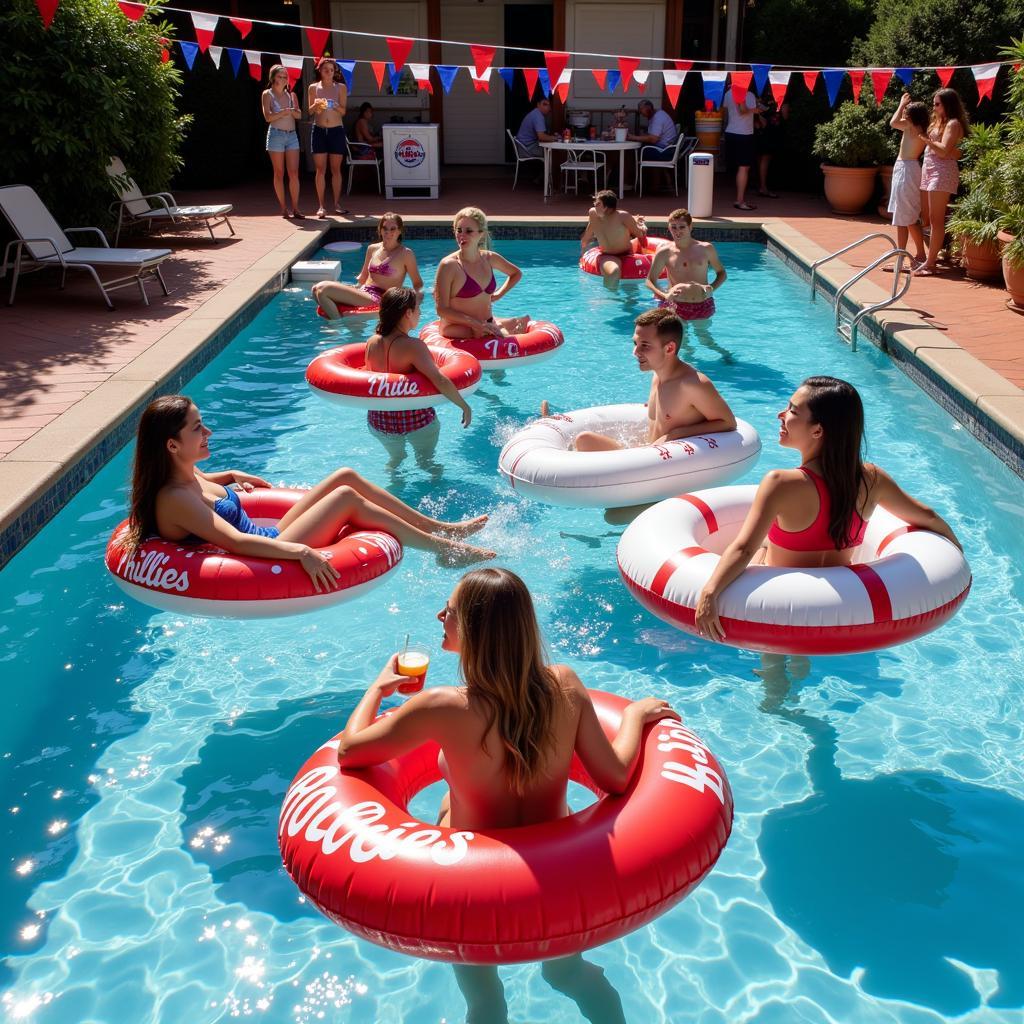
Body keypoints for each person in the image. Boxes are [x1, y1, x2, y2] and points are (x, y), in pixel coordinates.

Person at [335, 566, 678, 1024]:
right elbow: (615, 778)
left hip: (472, 891)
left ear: (477, 630)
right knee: (568, 976)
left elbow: (349, 752)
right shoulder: (566, 687)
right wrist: (634, 716)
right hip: (560, 879)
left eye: (451, 611)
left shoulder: (442, 706)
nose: (440, 616)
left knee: (484, 1000)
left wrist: (377, 689)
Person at [694, 376, 962, 642]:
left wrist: (709, 593)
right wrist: (955, 555)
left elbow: (743, 549)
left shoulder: (781, 483)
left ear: (818, 431)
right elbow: (927, 516)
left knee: (762, 551)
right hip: (837, 608)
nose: (781, 414)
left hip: (778, 604)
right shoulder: (872, 479)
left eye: (792, 411)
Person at [125, 396, 495, 579]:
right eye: (197, 429)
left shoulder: (185, 474)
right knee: (346, 498)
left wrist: (234, 473)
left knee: (345, 475)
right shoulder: (173, 498)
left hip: (269, 532)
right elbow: (235, 543)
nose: (208, 433)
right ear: (171, 446)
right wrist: (300, 552)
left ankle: (440, 527)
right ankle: (444, 549)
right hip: (263, 551)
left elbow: (208, 482)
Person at [541, 308, 736, 451]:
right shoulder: (657, 375)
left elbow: (728, 422)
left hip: (660, 466)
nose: (636, 352)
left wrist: (675, 434)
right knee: (581, 440)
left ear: (669, 348)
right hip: (646, 452)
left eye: (645, 345)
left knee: (584, 440)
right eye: (635, 343)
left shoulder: (692, 384)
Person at [363, 287, 473, 469]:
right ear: (408, 313)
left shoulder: (371, 342)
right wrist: (464, 406)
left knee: (396, 459)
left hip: (380, 421)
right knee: (426, 461)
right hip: (416, 420)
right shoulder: (413, 346)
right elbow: (440, 380)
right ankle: (435, 486)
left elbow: (372, 379)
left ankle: (393, 482)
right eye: (417, 308)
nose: (420, 313)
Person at [434, 207, 530, 340]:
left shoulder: (490, 258)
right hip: (458, 328)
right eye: (459, 230)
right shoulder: (449, 265)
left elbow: (516, 274)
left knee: (506, 335)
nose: (462, 235)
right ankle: (504, 325)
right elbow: (442, 309)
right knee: (500, 339)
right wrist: (475, 324)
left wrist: (498, 294)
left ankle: (503, 324)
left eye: (469, 231)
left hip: (486, 323)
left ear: (481, 234)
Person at [312, 212, 422, 318]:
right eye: (385, 228)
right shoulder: (372, 249)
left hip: (382, 298)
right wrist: (353, 289)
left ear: (400, 231)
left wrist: (414, 304)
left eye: (393, 229)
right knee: (314, 290)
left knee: (323, 289)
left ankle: (337, 323)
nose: (388, 232)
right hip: (364, 293)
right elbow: (363, 277)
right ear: (380, 229)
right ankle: (353, 327)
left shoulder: (406, 254)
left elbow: (418, 283)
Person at [915, 88, 969, 277]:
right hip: (929, 170)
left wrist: (926, 141)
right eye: (934, 103)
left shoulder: (953, 124)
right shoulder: (938, 122)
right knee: (927, 217)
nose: (934, 107)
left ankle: (930, 264)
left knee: (937, 220)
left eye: (937, 104)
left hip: (942, 172)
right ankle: (933, 256)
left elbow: (944, 151)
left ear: (948, 104)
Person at [645, 208, 726, 325]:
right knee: (681, 341)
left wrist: (712, 288)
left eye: (682, 227)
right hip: (675, 305)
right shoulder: (664, 252)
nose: (677, 231)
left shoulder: (706, 248)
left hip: (703, 303)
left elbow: (722, 273)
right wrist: (665, 295)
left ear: (690, 227)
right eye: (673, 227)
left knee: (705, 339)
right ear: (669, 228)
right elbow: (649, 281)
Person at [887, 93, 929, 266]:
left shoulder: (913, 127)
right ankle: (901, 255)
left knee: (908, 217)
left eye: (907, 112)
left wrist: (901, 103)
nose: (904, 114)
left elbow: (892, 122)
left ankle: (920, 255)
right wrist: (904, 106)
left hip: (907, 169)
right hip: (904, 168)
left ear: (913, 117)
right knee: (901, 217)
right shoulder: (915, 127)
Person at [579, 189, 648, 290]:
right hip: (607, 255)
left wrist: (641, 227)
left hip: (627, 253)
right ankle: (612, 300)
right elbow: (589, 230)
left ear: (606, 208)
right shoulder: (593, 213)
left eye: (598, 204)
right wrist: (584, 250)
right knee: (614, 272)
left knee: (631, 291)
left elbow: (639, 234)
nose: (594, 205)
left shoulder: (623, 216)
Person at [307, 56, 349, 219]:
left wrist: (335, 105)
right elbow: (310, 111)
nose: (329, 72)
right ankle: (321, 206)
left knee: (336, 169)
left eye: (332, 70)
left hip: (336, 130)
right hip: (319, 130)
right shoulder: (313, 88)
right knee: (320, 170)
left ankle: (337, 204)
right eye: (326, 70)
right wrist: (316, 105)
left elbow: (344, 111)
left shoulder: (341, 88)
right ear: (320, 71)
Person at [261, 65, 304, 220]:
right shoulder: (267, 94)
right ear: (273, 78)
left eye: (285, 76)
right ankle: (283, 208)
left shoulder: (291, 95)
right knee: (279, 173)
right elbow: (268, 117)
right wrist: (282, 113)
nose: (284, 79)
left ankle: (296, 208)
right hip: (276, 135)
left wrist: (292, 111)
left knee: (293, 172)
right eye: (280, 76)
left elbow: (299, 115)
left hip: (291, 135)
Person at [722, 86, 764, 211]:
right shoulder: (749, 94)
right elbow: (742, 110)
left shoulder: (728, 93)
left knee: (738, 167)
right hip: (743, 134)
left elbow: (726, 113)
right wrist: (755, 110)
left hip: (730, 131)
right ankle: (740, 200)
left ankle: (739, 198)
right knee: (744, 167)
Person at [754, 99, 788, 198]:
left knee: (759, 159)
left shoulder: (760, 97)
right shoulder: (782, 98)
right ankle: (763, 187)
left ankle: (760, 186)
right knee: (766, 159)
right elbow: (785, 116)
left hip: (759, 131)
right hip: (771, 132)